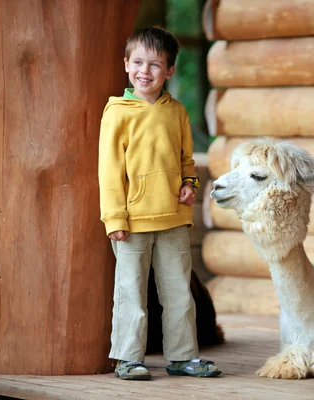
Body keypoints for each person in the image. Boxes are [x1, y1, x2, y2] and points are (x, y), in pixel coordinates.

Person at [98, 26, 221, 381]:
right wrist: (114, 218)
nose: (144, 71)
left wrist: (190, 184)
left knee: (180, 293)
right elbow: (109, 171)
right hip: (132, 222)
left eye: (155, 65)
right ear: (126, 64)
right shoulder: (117, 113)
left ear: (169, 70)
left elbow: (186, 162)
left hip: (173, 218)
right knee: (131, 292)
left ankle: (182, 357)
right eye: (138, 62)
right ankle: (127, 357)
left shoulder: (177, 112)